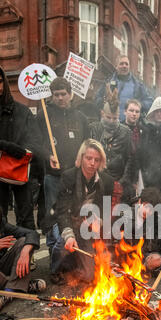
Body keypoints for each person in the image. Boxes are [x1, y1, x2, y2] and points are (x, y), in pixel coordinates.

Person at [50, 139, 119, 284]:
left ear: (101, 162)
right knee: (64, 242)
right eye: (89, 158)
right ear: (81, 157)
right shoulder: (68, 177)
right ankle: (56, 269)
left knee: (89, 276)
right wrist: (69, 235)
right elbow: (61, 211)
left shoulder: (107, 181)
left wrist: (98, 221)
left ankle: (75, 263)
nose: (92, 163)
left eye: (97, 159)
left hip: (86, 225)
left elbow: (105, 210)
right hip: (66, 220)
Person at [0, 61, 43, 230]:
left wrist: (24, 152)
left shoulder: (21, 110)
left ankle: (27, 250)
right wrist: (6, 146)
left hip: (19, 168)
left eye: (0, 81)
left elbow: (35, 139)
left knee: (25, 215)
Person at [36, 76, 90, 216]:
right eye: (56, 94)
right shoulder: (43, 116)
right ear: (52, 95)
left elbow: (87, 144)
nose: (60, 98)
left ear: (70, 94)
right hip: (53, 176)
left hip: (76, 174)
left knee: (75, 213)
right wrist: (48, 156)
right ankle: (54, 238)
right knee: (53, 214)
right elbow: (35, 143)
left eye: (63, 94)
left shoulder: (81, 118)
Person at [0, 192, 45, 312]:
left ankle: (8, 293)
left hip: (0, 266)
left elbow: (31, 233)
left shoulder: (0, 223)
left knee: (24, 242)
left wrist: (25, 252)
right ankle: (19, 286)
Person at [90, 86, 135, 202]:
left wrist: (122, 181)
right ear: (102, 113)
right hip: (95, 181)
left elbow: (130, 159)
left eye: (114, 118)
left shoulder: (126, 132)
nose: (111, 121)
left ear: (119, 115)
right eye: (108, 117)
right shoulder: (93, 128)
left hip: (117, 182)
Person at [95, 55, 153, 121]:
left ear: (129, 67)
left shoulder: (138, 85)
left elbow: (150, 102)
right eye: (121, 64)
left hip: (131, 125)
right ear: (116, 66)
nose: (124, 66)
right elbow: (97, 98)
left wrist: (139, 105)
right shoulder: (108, 83)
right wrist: (103, 102)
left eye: (126, 64)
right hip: (112, 123)